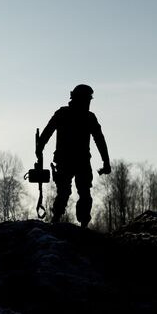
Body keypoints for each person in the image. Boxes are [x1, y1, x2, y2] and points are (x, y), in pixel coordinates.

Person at [36, 84, 111, 227]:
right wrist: (40, 148)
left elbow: (100, 140)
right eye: (87, 100)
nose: (88, 103)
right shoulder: (65, 114)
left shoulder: (86, 117)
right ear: (79, 99)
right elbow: (47, 132)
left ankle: (80, 223)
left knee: (83, 194)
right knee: (66, 193)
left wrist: (106, 161)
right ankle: (57, 220)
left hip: (79, 162)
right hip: (67, 161)